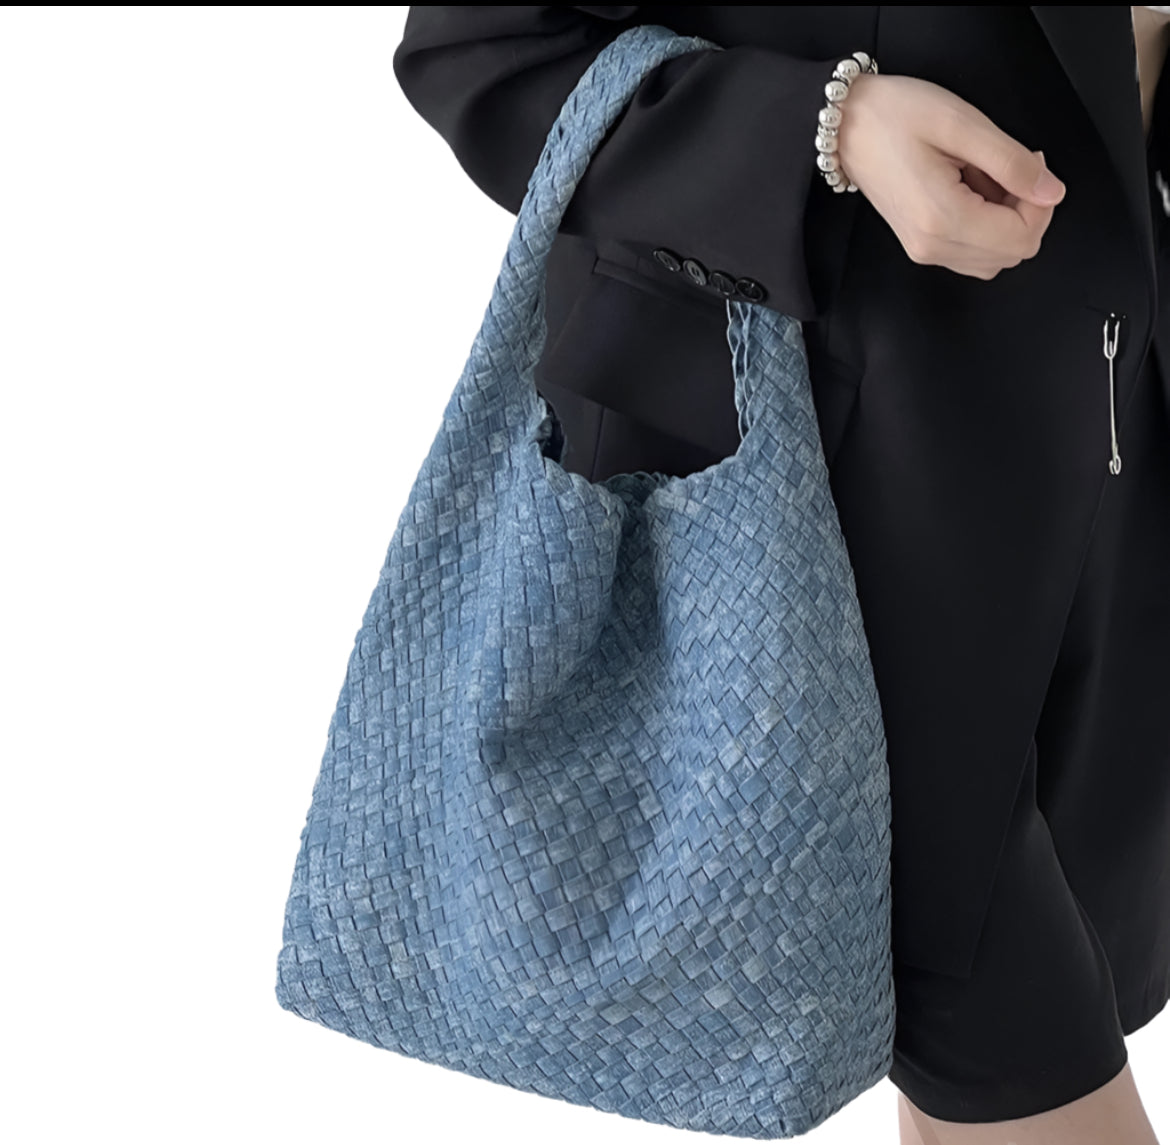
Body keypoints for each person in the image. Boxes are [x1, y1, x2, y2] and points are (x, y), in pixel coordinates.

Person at [392, 7, 1170, 1142]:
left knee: (1002, 1063)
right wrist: (831, 127)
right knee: (1022, 1058)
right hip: (829, 556)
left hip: (1109, 486)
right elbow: (478, 47)